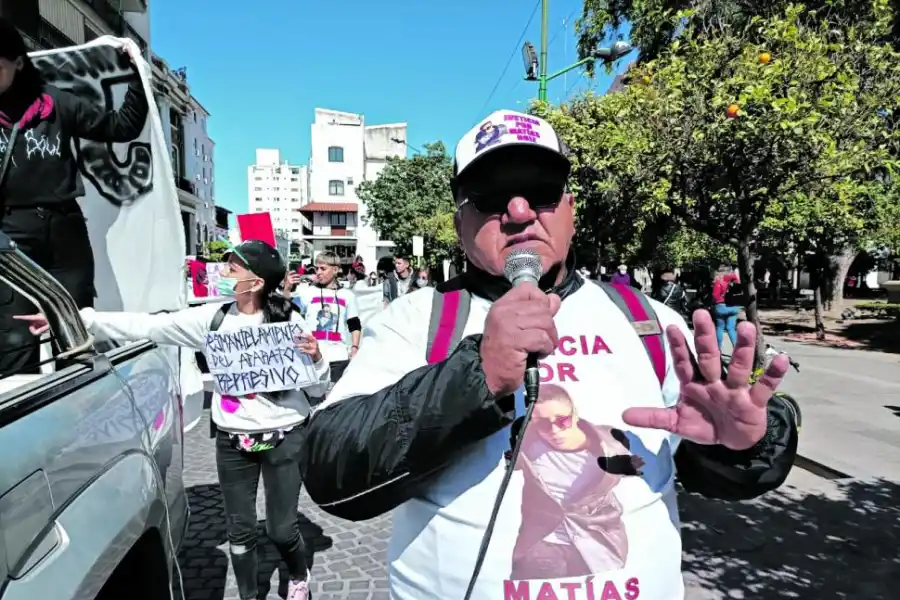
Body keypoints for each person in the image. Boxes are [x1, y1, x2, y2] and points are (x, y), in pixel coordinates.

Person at [299, 110, 799, 599]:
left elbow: (718, 465)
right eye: (492, 195)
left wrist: (740, 448)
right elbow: (331, 469)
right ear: (460, 220)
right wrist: (478, 376)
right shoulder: (415, 319)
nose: (519, 212)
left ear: (570, 208)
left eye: (541, 190)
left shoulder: (649, 321)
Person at [18, 240, 325, 600]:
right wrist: (76, 319)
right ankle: (249, 594)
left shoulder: (290, 321)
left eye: (233, 268)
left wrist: (316, 358)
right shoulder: (211, 319)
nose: (223, 274)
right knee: (239, 531)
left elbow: (317, 387)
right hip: (233, 441)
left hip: (285, 437)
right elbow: (147, 325)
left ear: (256, 282)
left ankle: (298, 573)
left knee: (281, 528)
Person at [0, 19, 149, 376]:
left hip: (65, 231)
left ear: (18, 63)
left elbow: (122, 126)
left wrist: (136, 74)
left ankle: (83, 415)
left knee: (77, 330)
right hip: (10, 235)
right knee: (15, 339)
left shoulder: (58, 104)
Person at [293, 251, 361, 384]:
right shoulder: (308, 293)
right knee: (314, 399)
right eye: (316, 268)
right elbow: (290, 314)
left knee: (334, 400)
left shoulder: (347, 295)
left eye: (323, 269)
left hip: (338, 356)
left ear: (335, 270)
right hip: (312, 355)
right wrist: (287, 289)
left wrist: (354, 348)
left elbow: (354, 325)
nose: (318, 272)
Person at [711, 265, 741, 350]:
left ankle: (718, 349)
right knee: (731, 329)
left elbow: (715, 295)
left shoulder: (719, 281)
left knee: (720, 327)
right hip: (733, 307)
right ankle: (736, 349)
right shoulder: (734, 280)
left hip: (721, 307)